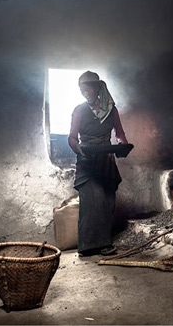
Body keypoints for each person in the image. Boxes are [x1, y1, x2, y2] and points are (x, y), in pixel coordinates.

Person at [68, 71, 129, 256]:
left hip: (106, 159)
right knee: (90, 201)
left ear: (98, 88)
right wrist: (79, 150)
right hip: (86, 160)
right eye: (82, 89)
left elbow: (119, 133)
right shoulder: (79, 110)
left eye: (88, 88)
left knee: (107, 201)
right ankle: (87, 247)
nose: (85, 92)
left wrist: (122, 144)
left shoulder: (112, 110)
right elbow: (72, 138)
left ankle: (104, 244)